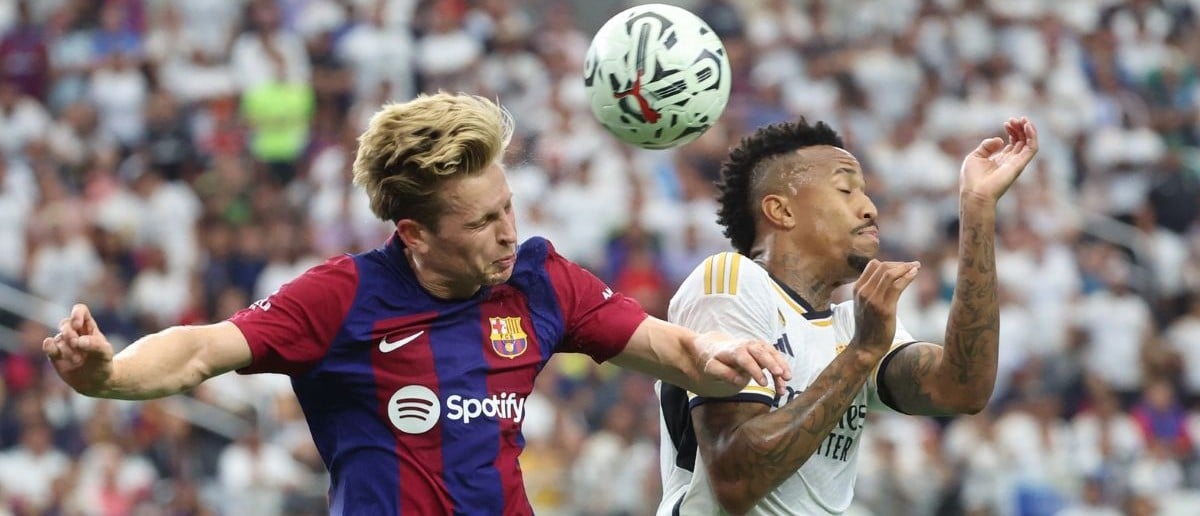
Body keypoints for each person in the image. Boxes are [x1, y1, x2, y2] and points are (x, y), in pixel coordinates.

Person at [44, 92, 792, 515]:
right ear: (414, 234)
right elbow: (202, 348)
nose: (509, 233)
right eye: (481, 222)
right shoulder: (342, 297)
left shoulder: (540, 280)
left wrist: (722, 357)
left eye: (508, 206)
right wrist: (106, 376)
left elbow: (671, 350)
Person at [657, 116, 1038, 515]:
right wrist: (859, 355)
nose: (870, 208)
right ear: (781, 211)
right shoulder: (731, 280)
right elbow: (736, 481)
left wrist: (977, 208)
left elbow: (963, 389)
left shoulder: (850, 325)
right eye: (845, 189)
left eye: (866, 192)